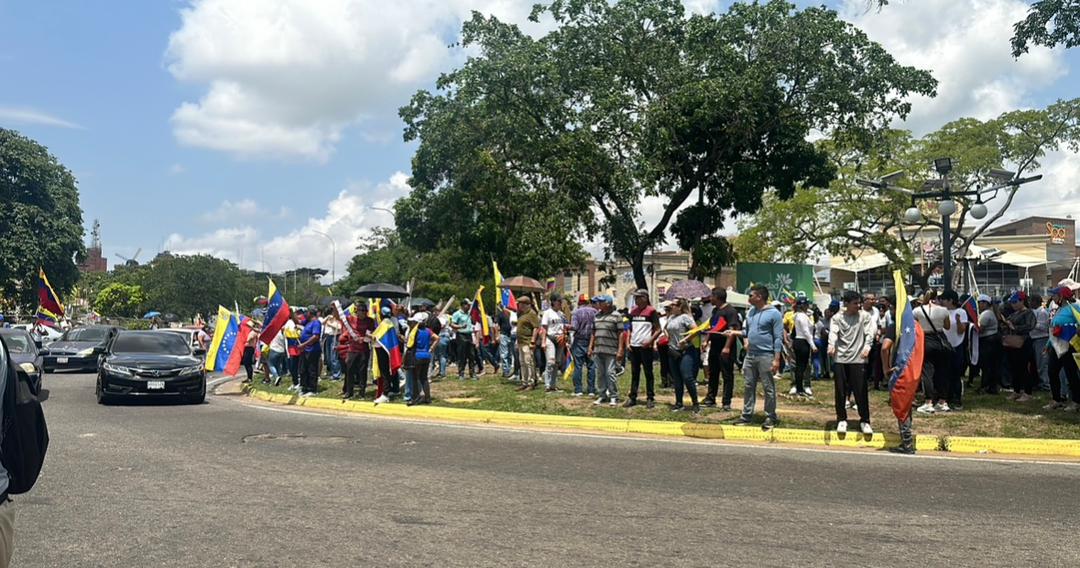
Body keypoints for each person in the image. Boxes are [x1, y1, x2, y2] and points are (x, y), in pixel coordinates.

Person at [734, 285, 784, 430]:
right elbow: (747, 332)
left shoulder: (774, 314)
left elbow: (778, 337)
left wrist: (777, 358)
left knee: (768, 386)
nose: (748, 298)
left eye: (751, 295)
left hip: (766, 355)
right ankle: (747, 414)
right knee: (749, 385)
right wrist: (734, 333)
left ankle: (770, 416)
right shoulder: (751, 312)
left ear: (759, 297)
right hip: (751, 355)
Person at [828, 290, 875, 435]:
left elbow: (870, 332)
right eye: (855, 303)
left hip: (858, 358)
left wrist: (867, 347)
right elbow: (833, 332)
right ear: (846, 304)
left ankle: (865, 421)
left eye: (859, 303)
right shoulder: (837, 318)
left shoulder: (864, 316)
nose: (858, 306)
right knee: (841, 391)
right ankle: (841, 419)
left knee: (861, 391)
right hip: (841, 358)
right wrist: (831, 345)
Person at [878, 305, 915, 454]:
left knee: (901, 407)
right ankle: (907, 440)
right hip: (914, 370)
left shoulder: (896, 326)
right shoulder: (915, 327)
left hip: (899, 371)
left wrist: (885, 368)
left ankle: (907, 443)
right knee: (907, 405)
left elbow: (885, 348)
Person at [913, 292, 951, 414]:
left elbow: (914, 325)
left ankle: (928, 402)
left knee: (927, 372)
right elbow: (947, 326)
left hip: (926, 339)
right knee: (943, 371)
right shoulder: (944, 310)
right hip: (941, 339)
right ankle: (942, 401)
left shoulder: (917, 310)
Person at [625, 289, 661, 408]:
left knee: (648, 372)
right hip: (634, 346)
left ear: (645, 298)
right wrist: (628, 341)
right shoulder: (633, 311)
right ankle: (632, 397)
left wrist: (650, 340)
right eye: (635, 298)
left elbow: (658, 329)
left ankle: (650, 397)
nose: (636, 300)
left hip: (646, 347)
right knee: (635, 373)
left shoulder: (652, 311)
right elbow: (629, 328)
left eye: (639, 297)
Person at [1046, 287, 1080, 411]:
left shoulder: (1074, 308)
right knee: (1052, 371)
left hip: (1069, 345)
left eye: (1054, 296)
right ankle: (1056, 399)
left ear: (1061, 296)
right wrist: (1048, 345)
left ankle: (1076, 402)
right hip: (1057, 345)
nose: (1053, 298)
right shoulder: (1058, 310)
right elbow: (1053, 329)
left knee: (1071, 374)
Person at [664, 299, 700, 412]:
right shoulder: (671, 317)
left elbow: (696, 330)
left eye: (673, 305)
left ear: (680, 307)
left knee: (687, 377)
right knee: (677, 378)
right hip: (673, 351)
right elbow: (665, 328)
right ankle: (679, 403)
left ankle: (695, 403)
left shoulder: (685, 317)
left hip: (686, 351)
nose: (671, 306)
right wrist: (667, 335)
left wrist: (685, 339)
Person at [589, 295, 624, 406]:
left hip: (611, 350)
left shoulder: (617, 316)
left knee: (610, 373)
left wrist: (620, 350)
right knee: (600, 374)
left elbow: (621, 334)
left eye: (601, 302)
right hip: (598, 349)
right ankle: (602, 395)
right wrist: (590, 347)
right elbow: (593, 333)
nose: (598, 304)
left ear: (608, 303)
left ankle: (613, 396)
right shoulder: (597, 316)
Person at [939, 290, 969, 411]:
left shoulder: (961, 312)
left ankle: (957, 398)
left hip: (957, 345)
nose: (941, 302)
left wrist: (957, 320)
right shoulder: (941, 312)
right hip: (944, 345)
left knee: (956, 373)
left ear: (951, 300)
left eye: (944, 299)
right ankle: (945, 397)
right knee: (944, 373)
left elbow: (962, 330)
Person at [1003, 292, 1036, 402]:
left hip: (1024, 342)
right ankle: (1016, 390)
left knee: (1023, 368)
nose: (1013, 305)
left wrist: (1015, 327)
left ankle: (1028, 392)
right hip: (1013, 343)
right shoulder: (1015, 313)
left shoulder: (1028, 313)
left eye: (1015, 302)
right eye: (1012, 303)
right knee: (1014, 367)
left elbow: (1030, 326)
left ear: (1022, 301)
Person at [339, 304, 376, 399]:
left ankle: (362, 392)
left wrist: (363, 339)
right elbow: (339, 317)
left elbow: (370, 334)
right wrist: (335, 307)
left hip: (364, 349)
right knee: (349, 370)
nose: (363, 312)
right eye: (361, 310)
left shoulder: (370, 321)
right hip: (352, 349)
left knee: (362, 371)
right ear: (357, 311)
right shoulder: (351, 319)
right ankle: (349, 391)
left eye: (364, 310)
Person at [569, 294, 598, 397]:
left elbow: (575, 327)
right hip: (592, 341)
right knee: (591, 366)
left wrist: (567, 327)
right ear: (588, 302)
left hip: (579, 341)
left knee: (578, 366)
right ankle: (591, 390)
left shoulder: (576, 313)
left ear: (579, 302)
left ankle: (578, 390)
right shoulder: (595, 312)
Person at [540, 294, 569, 392]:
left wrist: (565, 336)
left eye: (561, 301)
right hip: (550, 338)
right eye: (558, 301)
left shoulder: (561, 314)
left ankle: (553, 385)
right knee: (550, 362)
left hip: (560, 338)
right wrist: (543, 341)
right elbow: (544, 328)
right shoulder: (547, 313)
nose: (560, 303)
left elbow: (565, 327)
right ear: (553, 302)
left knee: (557, 363)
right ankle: (547, 385)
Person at [406, 317, 437, 406]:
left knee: (416, 377)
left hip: (417, 355)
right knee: (424, 378)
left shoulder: (415, 331)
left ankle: (415, 398)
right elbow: (437, 338)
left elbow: (410, 344)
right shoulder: (428, 330)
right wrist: (431, 348)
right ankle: (428, 398)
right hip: (427, 355)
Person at [790, 298, 816, 397]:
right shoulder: (802, 316)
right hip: (802, 341)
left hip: (799, 341)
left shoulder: (800, 315)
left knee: (800, 366)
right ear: (803, 306)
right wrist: (812, 345)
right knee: (801, 366)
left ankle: (799, 387)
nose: (808, 306)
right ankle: (800, 388)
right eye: (806, 305)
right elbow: (806, 332)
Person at [977, 294, 1002, 394]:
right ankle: (991, 386)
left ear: (985, 303)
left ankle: (986, 386)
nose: (979, 305)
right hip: (992, 340)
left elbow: (981, 329)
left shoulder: (986, 314)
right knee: (992, 365)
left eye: (980, 303)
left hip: (988, 341)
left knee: (987, 365)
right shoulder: (991, 313)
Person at [515, 297, 541, 391]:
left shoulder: (532, 314)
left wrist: (533, 341)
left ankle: (531, 382)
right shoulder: (522, 314)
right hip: (521, 342)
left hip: (527, 341)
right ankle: (524, 382)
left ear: (525, 304)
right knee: (522, 363)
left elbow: (536, 328)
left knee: (528, 362)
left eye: (520, 304)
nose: (519, 305)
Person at [297, 307, 323, 397]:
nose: (305, 314)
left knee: (312, 369)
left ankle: (312, 388)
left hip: (312, 350)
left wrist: (303, 344)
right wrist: (291, 312)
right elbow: (297, 322)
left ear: (310, 313)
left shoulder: (316, 323)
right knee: (303, 369)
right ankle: (304, 387)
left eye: (307, 312)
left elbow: (316, 336)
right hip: (305, 350)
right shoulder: (307, 323)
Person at [1029, 294, 1051, 392]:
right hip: (1033, 339)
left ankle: (1046, 384)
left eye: (1031, 301)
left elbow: (1043, 327)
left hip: (1041, 339)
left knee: (1042, 363)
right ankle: (1038, 382)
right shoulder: (1033, 312)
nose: (1030, 303)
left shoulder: (1042, 312)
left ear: (1036, 302)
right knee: (1035, 363)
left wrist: (1032, 324)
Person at [450, 300, 476, 381]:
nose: (469, 307)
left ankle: (472, 373)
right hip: (461, 335)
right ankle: (461, 373)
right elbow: (452, 324)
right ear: (463, 305)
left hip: (469, 335)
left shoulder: (469, 314)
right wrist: (460, 326)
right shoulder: (457, 314)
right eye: (468, 305)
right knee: (462, 355)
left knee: (471, 355)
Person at [321, 310, 343, 380]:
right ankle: (332, 372)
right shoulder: (329, 319)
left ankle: (337, 375)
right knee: (328, 356)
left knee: (334, 357)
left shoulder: (338, 320)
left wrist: (330, 324)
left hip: (334, 337)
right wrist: (327, 317)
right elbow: (322, 322)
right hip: (328, 337)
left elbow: (339, 327)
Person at [284, 310, 303, 391]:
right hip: (291, 347)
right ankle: (295, 382)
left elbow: (295, 334)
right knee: (293, 366)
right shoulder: (289, 322)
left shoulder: (293, 322)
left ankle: (298, 383)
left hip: (295, 347)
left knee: (295, 366)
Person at [657, 301, 674, 389]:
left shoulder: (674, 319)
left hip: (672, 343)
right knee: (664, 363)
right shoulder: (661, 320)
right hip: (662, 343)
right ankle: (664, 381)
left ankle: (672, 381)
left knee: (672, 363)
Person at [494, 304, 514, 377]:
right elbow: (496, 325)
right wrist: (497, 335)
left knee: (510, 354)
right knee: (504, 354)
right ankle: (506, 371)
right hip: (503, 335)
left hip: (512, 335)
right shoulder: (500, 314)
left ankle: (509, 370)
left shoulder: (513, 314)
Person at [240, 320, 259, 384]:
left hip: (249, 348)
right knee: (246, 363)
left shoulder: (253, 333)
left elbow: (248, 340)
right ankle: (248, 377)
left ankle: (250, 378)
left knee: (248, 363)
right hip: (247, 348)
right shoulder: (250, 332)